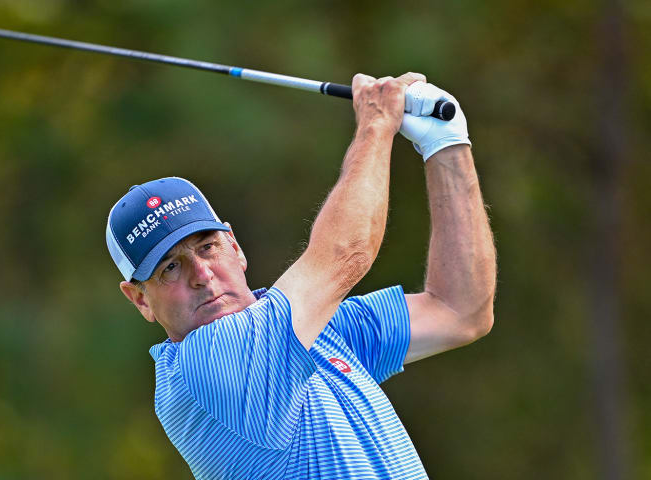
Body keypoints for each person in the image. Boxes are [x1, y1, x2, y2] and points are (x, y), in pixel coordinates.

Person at [105, 72, 496, 479]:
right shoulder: (205, 362)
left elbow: (460, 310)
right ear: (140, 299)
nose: (202, 274)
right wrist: (377, 124)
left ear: (235, 247)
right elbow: (345, 253)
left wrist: (445, 144)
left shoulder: (317, 330)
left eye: (207, 247)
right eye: (170, 267)